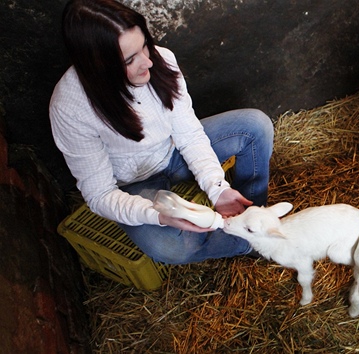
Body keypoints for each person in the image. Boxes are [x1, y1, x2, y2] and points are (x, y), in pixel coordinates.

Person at [49, 0, 274, 264]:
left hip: (173, 152)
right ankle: (246, 242)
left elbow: (189, 135)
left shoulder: (161, 59)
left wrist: (217, 188)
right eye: (130, 59)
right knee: (171, 248)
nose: (148, 62)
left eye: (144, 44)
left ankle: (256, 219)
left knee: (255, 126)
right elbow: (100, 195)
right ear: (99, 67)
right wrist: (158, 214)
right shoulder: (71, 108)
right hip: (134, 183)